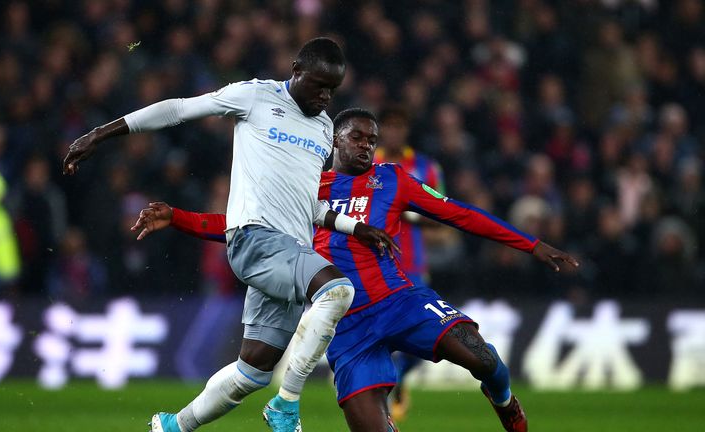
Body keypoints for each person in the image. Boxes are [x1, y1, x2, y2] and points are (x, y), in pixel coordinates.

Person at [131, 108, 580, 432]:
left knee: (483, 359)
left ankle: (504, 403)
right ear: (335, 141)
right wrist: (178, 217)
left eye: (372, 138)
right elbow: (243, 228)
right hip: (346, 330)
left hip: (401, 301)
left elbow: (459, 214)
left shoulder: (393, 178)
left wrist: (532, 244)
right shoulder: (306, 186)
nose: (368, 145)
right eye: (358, 137)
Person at [62, 39, 398, 432]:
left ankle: (173, 425)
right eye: (319, 84)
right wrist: (100, 133)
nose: (325, 96)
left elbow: (308, 205)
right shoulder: (255, 95)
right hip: (255, 240)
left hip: (290, 253)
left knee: (251, 373)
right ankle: (285, 406)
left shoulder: (325, 129)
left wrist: (355, 227)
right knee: (338, 291)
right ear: (296, 69)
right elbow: (178, 109)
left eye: (332, 89)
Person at [374, 105, 447, 419]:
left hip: (413, 266)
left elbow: (439, 216)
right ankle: (380, 397)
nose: (393, 132)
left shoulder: (424, 167)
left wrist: (403, 214)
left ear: (406, 131)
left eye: (398, 126)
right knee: (378, 337)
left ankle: (399, 375)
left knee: (433, 335)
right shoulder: (365, 162)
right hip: (373, 264)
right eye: (387, 126)